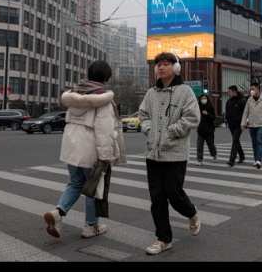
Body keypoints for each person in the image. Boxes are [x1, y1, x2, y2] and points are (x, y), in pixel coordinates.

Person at [43, 60, 126, 239]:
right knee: (93, 188)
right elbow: (104, 131)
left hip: (72, 148)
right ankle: (91, 226)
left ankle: (58, 213)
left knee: (75, 183)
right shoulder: (103, 99)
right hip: (91, 150)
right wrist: (105, 156)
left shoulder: (73, 95)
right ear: (106, 78)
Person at [139, 52, 201, 255]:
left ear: (175, 68)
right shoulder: (151, 93)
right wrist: (148, 129)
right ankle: (163, 239)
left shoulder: (185, 92)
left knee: (174, 194)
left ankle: (191, 212)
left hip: (175, 152)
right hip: (153, 153)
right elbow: (143, 115)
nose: (161, 68)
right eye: (159, 65)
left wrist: (170, 132)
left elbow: (192, 118)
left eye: (166, 64)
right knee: (157, 197)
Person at [240, 82, 262, 169]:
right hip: (252, 124)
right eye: (251, 89)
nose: (251, 91)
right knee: (254, 142)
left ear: (258, 89)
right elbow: (245, 112)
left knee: (259, 141)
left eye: (253, 89)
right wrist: (243, 124)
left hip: (261, 124)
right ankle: (256, 159)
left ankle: (259, 160)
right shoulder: (249, 100)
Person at [225, 85, 247, 167]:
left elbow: (245, 113)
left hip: (239, 124)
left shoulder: (242, 101)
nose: (228, 93)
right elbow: (226, 111)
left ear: (234, 92)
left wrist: (243, 123)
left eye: (229, 92)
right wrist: (227, 119)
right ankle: (242, 156)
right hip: (231, 124)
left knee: (235, 140)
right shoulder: (229, 101)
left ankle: (232, 160)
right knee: (236, 140)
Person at [196, 93, 217, 166]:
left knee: (211, 145)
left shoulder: (210, 107)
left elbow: (213, 118)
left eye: (205, 98)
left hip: (209, 130)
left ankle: (214, 154)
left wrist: (207, 114)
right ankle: (199, 159)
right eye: (202, 98)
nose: (203, 100)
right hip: (201, 130)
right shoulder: (197, 108)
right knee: (199, 145)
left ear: (207, 99)